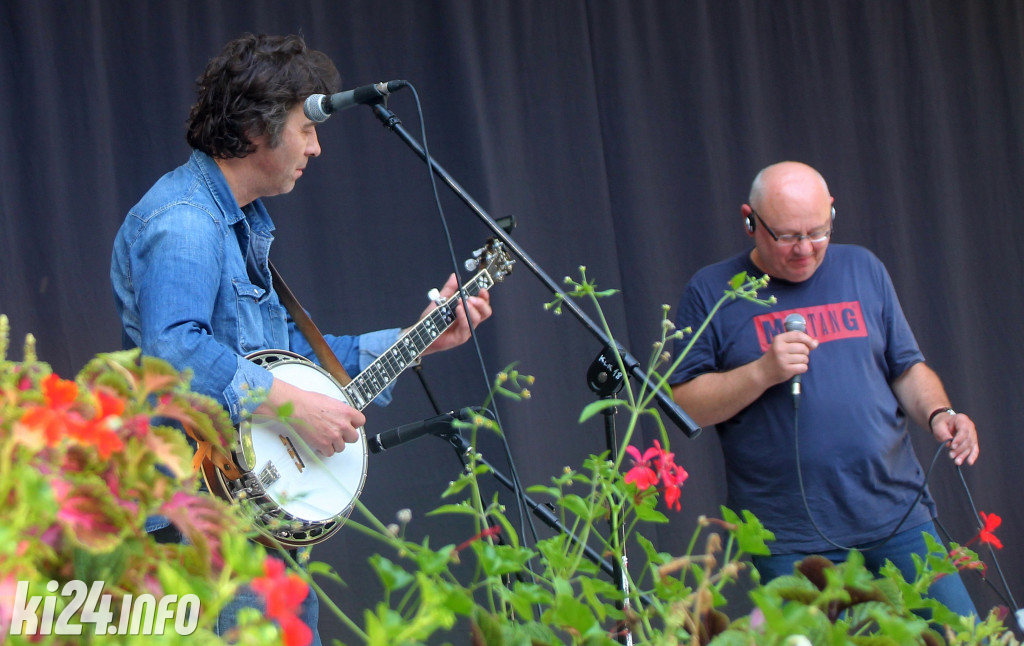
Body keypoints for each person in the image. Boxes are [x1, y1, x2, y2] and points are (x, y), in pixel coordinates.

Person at [109, 33, 491, 643]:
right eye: (307, 127)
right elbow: (175, 352)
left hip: (253, 530)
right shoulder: (185, 221)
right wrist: (290, 405)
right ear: (258, 128)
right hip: (201, 536)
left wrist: (420, 338)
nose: (316, 147)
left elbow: (298, 360)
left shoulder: (239, 227)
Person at [669, 161, 980, 618]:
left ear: (832, 211)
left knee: (959, 633)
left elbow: (906, 369)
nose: (805, 250)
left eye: (818, 232)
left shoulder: (863, 268)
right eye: (789, 236)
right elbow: (686, 404)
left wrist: (940, 414)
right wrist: (762, 372)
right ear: (750, 221)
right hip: (790, 534)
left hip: (895, 512)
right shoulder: (714, 290)